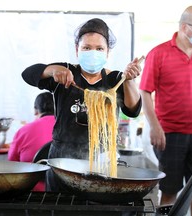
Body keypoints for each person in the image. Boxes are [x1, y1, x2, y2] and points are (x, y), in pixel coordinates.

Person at [22, 18, 142, 191]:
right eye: (86, 47)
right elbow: (28, 74)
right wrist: (53, 70)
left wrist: (129, 81)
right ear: (77, 50)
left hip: (102, 160)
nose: (93, 52)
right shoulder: (66, 73)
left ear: (107, 52)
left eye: (99, 48)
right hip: (63, 159)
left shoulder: (115, 79)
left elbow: (133, 110)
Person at [139, 5, 192, 216]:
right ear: (183, 26)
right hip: (169, 135)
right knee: (170, 193)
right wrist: (154, 126)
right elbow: (145, 91)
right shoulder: (159, 53)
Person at [8, 91, 55, 191]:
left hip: (31, 191)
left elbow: (12, 165)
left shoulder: (23, 131)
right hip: (62, 190)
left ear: (35, 111)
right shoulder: (67, 129)